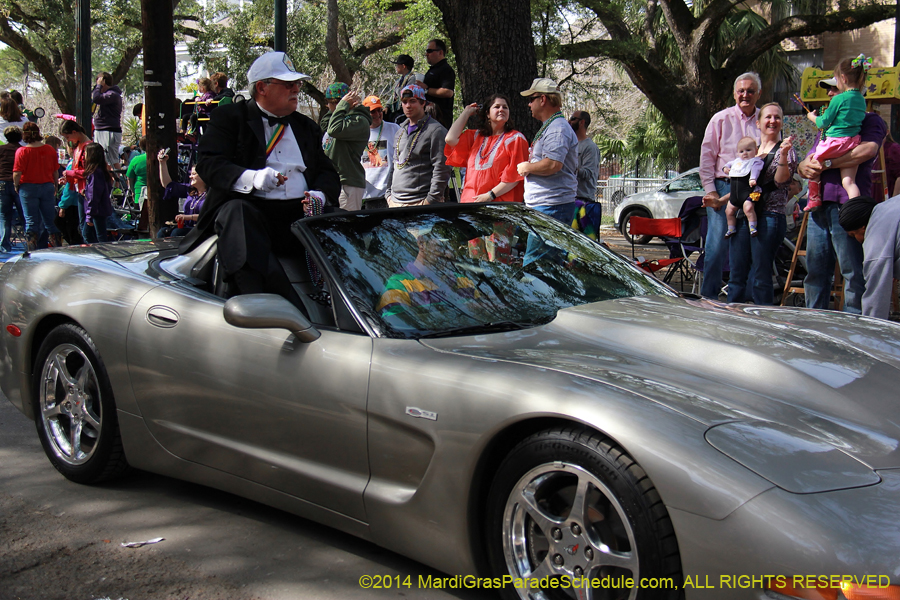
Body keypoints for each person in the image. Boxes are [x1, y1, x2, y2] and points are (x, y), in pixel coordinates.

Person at [183, 51, 340, 305]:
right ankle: (274, 306)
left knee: (343, 223)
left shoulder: (306, 126)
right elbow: (209, 163)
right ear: (261, 88)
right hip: (252, 214)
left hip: (300, 215)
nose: (296, 89)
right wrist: (251, 178)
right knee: (237, 213)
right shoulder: (229, 118)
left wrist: (320, 194)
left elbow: (327, 171)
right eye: (288, 84)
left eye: (297, 84)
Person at [798, 86, 886, 314]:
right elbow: (811, 156)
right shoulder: (828, 124)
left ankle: (852, 333)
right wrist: (802, 166)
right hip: (818, 208)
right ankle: (814, 327)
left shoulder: (870, 120)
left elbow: (867, 151)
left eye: (835, 88)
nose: (829, 94)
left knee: (853, 271)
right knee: (816, 272)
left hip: (847, 207)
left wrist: (827, 164)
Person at [698, 72, 762, 300]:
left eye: (751, 91)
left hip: (754, 191)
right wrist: (711, 191)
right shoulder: (721, 119)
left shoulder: (765, 121)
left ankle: (739, 303)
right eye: (741, 91)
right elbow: (706, 157)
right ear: (735, 93)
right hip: (723, 189)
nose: (745, 95)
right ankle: (708, 300)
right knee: (716, 250)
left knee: (748, 251)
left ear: (758, 94)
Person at [725, 103, 797, 305]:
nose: (773, 121)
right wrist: (722, 200)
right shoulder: (750, 149)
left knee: (760, 276)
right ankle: (732, 321)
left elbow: (782, 182)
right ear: (758, 123)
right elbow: (739, 184)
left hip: (769, 216)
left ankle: (763, 323)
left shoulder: (786, 150)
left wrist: (782, 155)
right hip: (743, 215)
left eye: (777, 117)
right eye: (768, 117)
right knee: (736, 275)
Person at [804, 55, 869, 211]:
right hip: (853, 142)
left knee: (814, 164)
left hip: (835, 142)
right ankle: (856, 208)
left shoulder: (838, 100)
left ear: (843, 78)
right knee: (849, 182)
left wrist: (811, 116)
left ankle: (814, 199)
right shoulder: (861, 99)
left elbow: (823, 122)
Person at [516, 78, 579, 224]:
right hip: (548, 205)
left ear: (543, 99)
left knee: (536, 248)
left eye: (532, 99)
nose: (529, 104)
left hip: (552, 206)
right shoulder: (552, 126)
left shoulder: (557, 128)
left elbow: (553, 164)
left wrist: (527, 167)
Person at [444, 94, 529, 203]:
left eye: (505, 107)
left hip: (500, 205)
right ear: (487, 114)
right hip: (471, 203)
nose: (501, 109)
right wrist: (466, 112)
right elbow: (450, 139)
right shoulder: (476, 137)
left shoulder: (515, 138)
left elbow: (514, 176)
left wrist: (490, 195)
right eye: (497, 106)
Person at [385, 85, 450, 207]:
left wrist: (431, 200)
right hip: (395, 202)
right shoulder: (400, 131)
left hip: (420, 203)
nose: (408, 105)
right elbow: (394, 166)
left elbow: (442, 168)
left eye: (412, 101)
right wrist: (388, 195)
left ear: (423, 103)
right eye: (404, 102)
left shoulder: (436, 130)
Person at [838, 195, 900, 319]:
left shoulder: (876, 236)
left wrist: (871, 331)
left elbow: (877, 292)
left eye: (853, 235)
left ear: (863, 228)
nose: (857, 240)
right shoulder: (888, 207)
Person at [320, 83, 372, 211]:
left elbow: (334, 130)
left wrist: (342, 105)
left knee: (347, 227)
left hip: (348, 184)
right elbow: (324, 124)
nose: (328, 106)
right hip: (334, 180)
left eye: (329, 103)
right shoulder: (340, 117)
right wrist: (340, 108)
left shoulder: (359, 121)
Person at [13, 122, 61, 249]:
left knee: (31, 221)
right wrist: (55, 185)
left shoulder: (22, 151)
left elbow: (17, 173)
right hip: (47, 186)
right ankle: (57, 247)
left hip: (28, 188)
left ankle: (32, 251)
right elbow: (55, 171)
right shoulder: (49, 149)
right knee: (50, 221)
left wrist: (16, 185)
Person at [156, 148, 207, 238]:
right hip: (187, 228)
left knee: (177, 233)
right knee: (163, 232)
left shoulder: (212, 195)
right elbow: (168, 184)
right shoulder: (191, 191)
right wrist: (162, 163)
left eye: (194, 174)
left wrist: (187, 217)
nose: (190, 176)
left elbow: (210, 216)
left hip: (204, 230)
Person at [360, 95, 400, 208]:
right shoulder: (357, 131)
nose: (377, 114)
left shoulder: (395, 129)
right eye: (373, 111)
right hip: (366, 195)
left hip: (389, 194)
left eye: (379, 110)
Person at [723, 137, 765, 238]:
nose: (744, 153)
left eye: (748, 150)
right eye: (741, 151)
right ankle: (731, 228)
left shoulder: (755, 161)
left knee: (748, 208)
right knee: (728, 211)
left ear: (756, 150)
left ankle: (753, 227)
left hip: (749, 192)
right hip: (735, 195)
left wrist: (753, 179)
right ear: (737, 153)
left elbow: (756, 170)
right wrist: (725, 168)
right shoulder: (736, 162)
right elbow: (727, 164)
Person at [417, 40, 455, 129]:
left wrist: (426, 89)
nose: (427, 54)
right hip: (429, 117)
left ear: (440, 52)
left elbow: (448, 92)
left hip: (440, 119)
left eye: (429, 51)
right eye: (426, 51)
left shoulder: (446, 69)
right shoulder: (433, 70)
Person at [80, 143, 114, 243]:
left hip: (96, 210)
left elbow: (94, 194)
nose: (84, 156)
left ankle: (99, 255)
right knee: (99, 235)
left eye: (85, 153)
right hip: (100, 209)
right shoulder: (102, 171)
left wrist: (90, 215)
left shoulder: (94, 172)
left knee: (90, 235)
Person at [92, 71, 124, 170]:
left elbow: (96, 98)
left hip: (108, 131)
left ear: (103, 81)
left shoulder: (112, 95)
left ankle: (117, 183)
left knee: (110, 160)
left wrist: (98, 86)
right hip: (101, 130)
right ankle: (109, 182)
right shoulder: (107, 94)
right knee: (103, 159)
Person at [569, 110, 600, 204]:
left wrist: (569, 167)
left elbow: (588, 173)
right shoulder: (570, 144)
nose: (569, 121)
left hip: (582, 200)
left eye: (573, 119)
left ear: (582, 122)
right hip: (568, 198)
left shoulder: (590, 147)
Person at [0, 126, 22, 252]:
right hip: (18, 183)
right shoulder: (22, 150)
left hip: (2, 182)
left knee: (4, 216)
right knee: (24, 214)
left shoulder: (1, 149)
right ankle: (30, 243)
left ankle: (4, 245)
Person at [386, 55, 418, 123]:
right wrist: (387, 106)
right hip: (395, 109)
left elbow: (406, 93)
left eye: (397, 65)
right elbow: (393, 95)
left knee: (396, 120)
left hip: (403, 109)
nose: (396, 67)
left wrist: (397, 89)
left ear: (403, 66)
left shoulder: (411, 78)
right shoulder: (399, 80)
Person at [126, 136, 148, 207]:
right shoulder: (162, 159)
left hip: (139, 196)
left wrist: (133, 192)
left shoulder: (136, 160)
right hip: (159, 197)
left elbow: (130, 179)